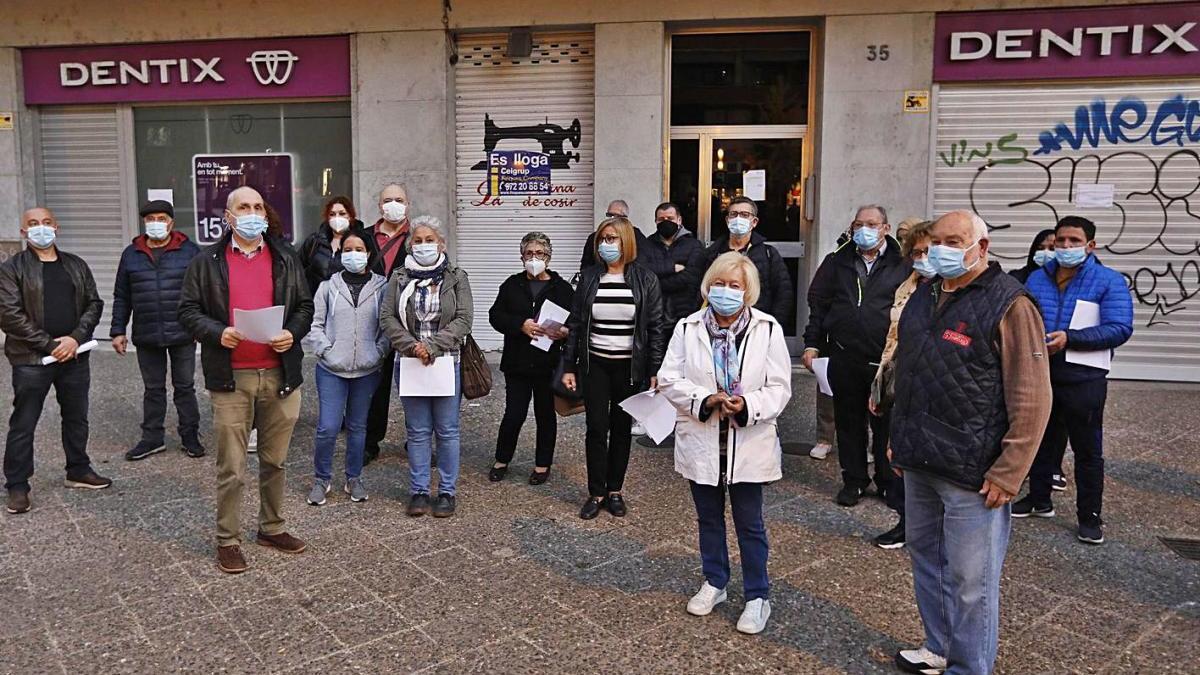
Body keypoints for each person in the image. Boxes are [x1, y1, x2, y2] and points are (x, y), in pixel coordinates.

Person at [889, 209, 1051, 675]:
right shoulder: (926, 295)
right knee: (927, 560)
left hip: (973, 471)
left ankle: (969, 666)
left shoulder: (1010, 304)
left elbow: (1032, 395)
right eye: (936, 240)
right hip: (920, 459)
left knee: (971, 581)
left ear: (982, 247)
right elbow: (911, 371)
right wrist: (898, 440)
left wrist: (1010, 470)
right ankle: (938, 646)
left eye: (955, 240)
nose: (942, 249)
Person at [178, 186, 313, 574]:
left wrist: (294, 331)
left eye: (258, 206)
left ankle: (271, 527)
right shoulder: (206, 262)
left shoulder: (286, 257)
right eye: (244, 207)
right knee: (232, 466)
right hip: (231, 377)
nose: (252, 213)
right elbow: (187, 311)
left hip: (280, 372)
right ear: (228, 215)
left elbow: (304, 305)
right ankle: (228, 539)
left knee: (276, 460)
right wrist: (216, 332)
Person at [660, 251, 792, 635]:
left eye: (735, 285)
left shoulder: (767, 329)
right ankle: (715, 581)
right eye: (719, 283)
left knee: (750, 523)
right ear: (707, 286)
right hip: (703, 440)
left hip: (748, 442)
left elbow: (780, 388)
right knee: (708, 518)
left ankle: (757, 596)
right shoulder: (687, 328)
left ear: (748, 290)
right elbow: (669, 379)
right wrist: (705, 399)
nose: (726, 291)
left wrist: (747, 404)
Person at [1013, 216, 1133, 545]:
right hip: (1042, 373)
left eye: (1073, 241)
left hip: (1084, 377)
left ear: (1090, 246)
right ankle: (1039, 499)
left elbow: (1120, 327)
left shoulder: (1108, 281)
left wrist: (1071, 338)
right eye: (1061, 241)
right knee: (1039, 439)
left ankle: (1089, 516)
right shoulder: (1037, 279)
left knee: (1087, 450)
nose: (1065, 247)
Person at [1, 207, 111, 514]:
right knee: (24, 422)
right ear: (23, 232)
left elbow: (94, 302)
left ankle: (78, 469)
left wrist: (75, 338)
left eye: (46, 223)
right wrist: (50, 345)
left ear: (56, 228)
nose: (41, 228)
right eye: (33, 224)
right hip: (32, 359)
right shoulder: (12, 269)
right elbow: (10, 315)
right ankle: (18, 485)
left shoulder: (75, 264)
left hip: (74, 354)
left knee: (77, 416)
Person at [801, 205, 910, 507]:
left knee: (885, 423)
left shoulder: (902, 264)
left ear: (886, 228)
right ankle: (854, 479)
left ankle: (887, 481)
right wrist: (813, 344)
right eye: (859, 224)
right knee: (848, 423)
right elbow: (818, 305)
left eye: (872, 224)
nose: (865, 229)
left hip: (885, 359)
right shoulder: (837, 262)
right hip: (845, 356)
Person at [561, 216, 667, 520]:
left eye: (613, 238)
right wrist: (569, 365)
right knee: (596, 428)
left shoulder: (646, 279)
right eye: (603, 239)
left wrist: (654, 369)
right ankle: (596, 492)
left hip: (629, 368)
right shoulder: (589, 277)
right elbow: (576, 324)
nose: (606, 244)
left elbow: (656, 327)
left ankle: (615, 490)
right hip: (595, 365)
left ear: (626, 242)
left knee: (621, 429)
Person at [380, 215, 473, 519]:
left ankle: (447, 491)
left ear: (441, 243)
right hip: (409, 363)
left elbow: (463, 319)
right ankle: (419, 490)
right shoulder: (399, 277)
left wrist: (431, 346)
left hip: (447, 362)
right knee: (418, 431)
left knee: (447, 431)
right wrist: (411, 346)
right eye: (417, 241)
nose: (423, 245)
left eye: (428, 240)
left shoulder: (456, 276)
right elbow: (387, 318)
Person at [110, 200, 204, 461]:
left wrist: (201, 325)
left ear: (171, 222)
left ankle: (190, 436)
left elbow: (202, 291)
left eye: (161, 218)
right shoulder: (132, 253)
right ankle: (152, 439)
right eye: (150, 218)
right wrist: (118, 330)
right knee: (153, 389)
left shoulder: (189, 251)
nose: (156, 223)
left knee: (185, 386)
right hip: (147, 332)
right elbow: (122, 295)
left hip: (183, 332)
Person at [305, 231, 391, 506]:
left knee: (358, 427)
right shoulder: (327, 287)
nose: (354, 253)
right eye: (348, 249)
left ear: (368, 254)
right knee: (328, 427)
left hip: (367, 370)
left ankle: (354, 477)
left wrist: (379, 351)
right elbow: (315, 325)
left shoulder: (383, 286)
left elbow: (388, 327)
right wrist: (325, 350)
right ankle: (321, 479)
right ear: (341, 254)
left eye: (359, 248)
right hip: (331, 369)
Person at [867, 219, 935, 549]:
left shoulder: (959, 291)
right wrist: (880, 384)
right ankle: (906, 521)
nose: (922, 258)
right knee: (897, 454)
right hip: (902, 383)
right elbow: (891, 340)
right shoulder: (907, 286)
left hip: (939, 389)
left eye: (928, 250)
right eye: (917, 252)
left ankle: (932, 526)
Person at [488, 232, 574, 484]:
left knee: (545, 416)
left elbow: (575, 323)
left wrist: (565, 333)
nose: (534, 258)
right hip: (518, 363)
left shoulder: (562, 289)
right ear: (521, 256)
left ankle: (542, 464)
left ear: (548, 257)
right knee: (514, 414)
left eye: (539, 254)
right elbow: (495, 316)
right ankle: (501, 459)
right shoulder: (511, 285)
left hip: (548, 364)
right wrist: (520, 325)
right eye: (529, 253)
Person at [1009, 228, 1064, 490]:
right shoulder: (1018, 279)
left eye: (1053, 247)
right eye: (1042, 247)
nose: (1046, 253)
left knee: (1054, 420)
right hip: (1026, 355)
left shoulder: (1065, 280)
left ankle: (1052, 467)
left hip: (1061, 360)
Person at [685, 196, 794, 326]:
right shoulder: (711, 254)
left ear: (754, 222)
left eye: (744, 214)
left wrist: (772, 325)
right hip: (715, 325)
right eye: (734, 214)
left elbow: (783, 293)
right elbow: (695, 290)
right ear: (727, 220)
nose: (738, 218)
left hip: (755, 326)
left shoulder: (768, 254)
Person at [363, 183, 413, 465]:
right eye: (388, 200)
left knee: (413, 385)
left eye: (399, 199)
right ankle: (371, 441)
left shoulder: (418, 237)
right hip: (373, 323)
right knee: (375, 385)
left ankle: (415, 439)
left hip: (410, 325)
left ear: (409, 204)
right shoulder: (365, 237)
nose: (393, 204)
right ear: (379, 205)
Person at [643, 202, 703, 326]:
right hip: (654, 312)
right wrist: (672, 268)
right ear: (655, 221)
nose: (666, 222)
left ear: (679, 220)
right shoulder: (646, 244)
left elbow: (691, 277)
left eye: (670, 218)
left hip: (685, 311)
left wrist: (657, 283)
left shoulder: (693, 245)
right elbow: (644, 272)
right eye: (661, 219)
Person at [299, 195, 371, 295]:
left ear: (350, 216)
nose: (337, 218)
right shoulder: (315, 241)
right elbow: (298, 268)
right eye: (332, 214)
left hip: (345, 300)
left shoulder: (362, 241)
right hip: (315, 301)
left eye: (342, 214)